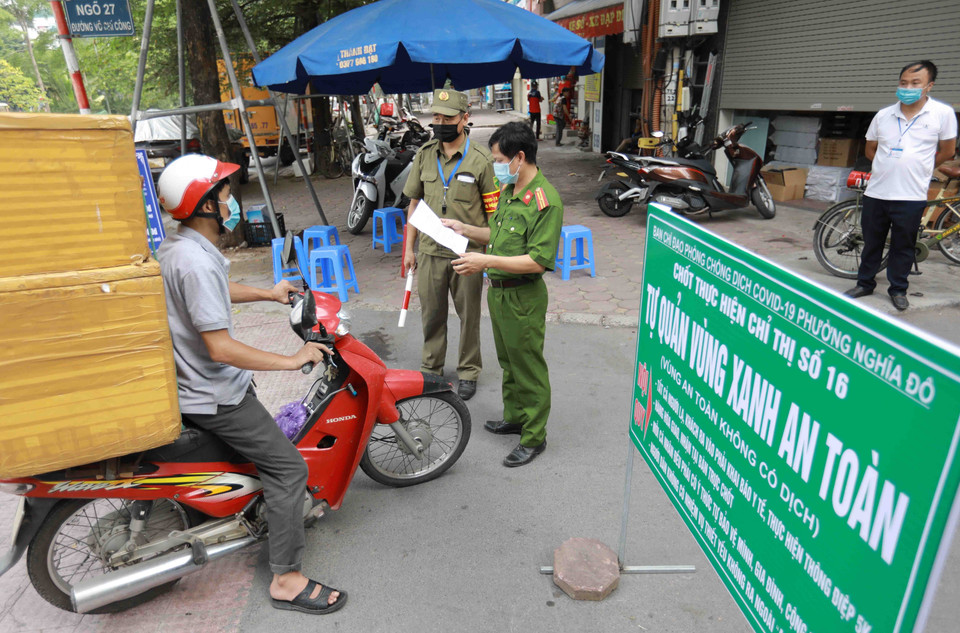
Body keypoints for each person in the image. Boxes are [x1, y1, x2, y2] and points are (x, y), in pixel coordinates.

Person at [156, 154, 346, 615]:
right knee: (288, 470)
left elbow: (216, 288)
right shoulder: (195, 263)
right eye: (223, 194)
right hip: (216, 394)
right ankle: (286, 578)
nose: (232, 201)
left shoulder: (181, 248)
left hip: (192, 386)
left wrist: (268, 291)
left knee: (251, 462)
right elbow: (220, 348)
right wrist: (292, 358)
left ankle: (241, 518)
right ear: (204, 205)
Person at [441, 122, 563, 467]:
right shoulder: (509, 190)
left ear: (519, 157)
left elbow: (538, 261)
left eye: (498, 159)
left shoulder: (544, 200)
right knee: (509, 363)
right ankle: (516, 417)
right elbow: (497, 236)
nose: (495, 165)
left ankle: (534, 436)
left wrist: (485, 261)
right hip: (498, 293)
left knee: (528, 367)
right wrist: (466, 229)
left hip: (523, 296)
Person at [402, 88, 500, 401]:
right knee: (431, 314)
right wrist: (408, 249)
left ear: (465, 119)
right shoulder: (424, 155)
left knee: (469, 316)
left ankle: (468, 371)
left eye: (448, 117)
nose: (440, 122)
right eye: (436, 117)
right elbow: (414, 203)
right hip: (430, 252)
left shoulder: (481, 159)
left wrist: (489, 257)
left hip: (466, 254)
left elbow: (494, 214)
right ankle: (432, 368)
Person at [844, 60, 957, 311]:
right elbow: (871, 148)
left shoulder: (942, 113)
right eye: (903, 82)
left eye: (915, 83)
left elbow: (948, 150)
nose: (908, 87)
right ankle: (865, 283)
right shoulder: (884, 115)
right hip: (877, 192)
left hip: (911, 194)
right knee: (872, 242)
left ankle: (898, 289)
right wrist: (887, 164)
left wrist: (922, 165)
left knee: (903, 245)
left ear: (929, 85)